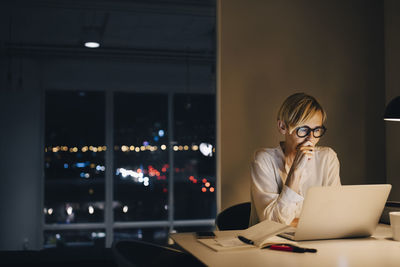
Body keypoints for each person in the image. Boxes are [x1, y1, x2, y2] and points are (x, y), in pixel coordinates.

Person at [249, 93, 341, 227]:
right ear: (282, 127)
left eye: (317, 130)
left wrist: (294, 223)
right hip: (270, 243)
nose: (311, 139)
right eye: (303, 130)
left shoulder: (327, 158)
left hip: (316, 240)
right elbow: (272, 224)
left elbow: (335, 215)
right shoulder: (263, 160)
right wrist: (296, 171)